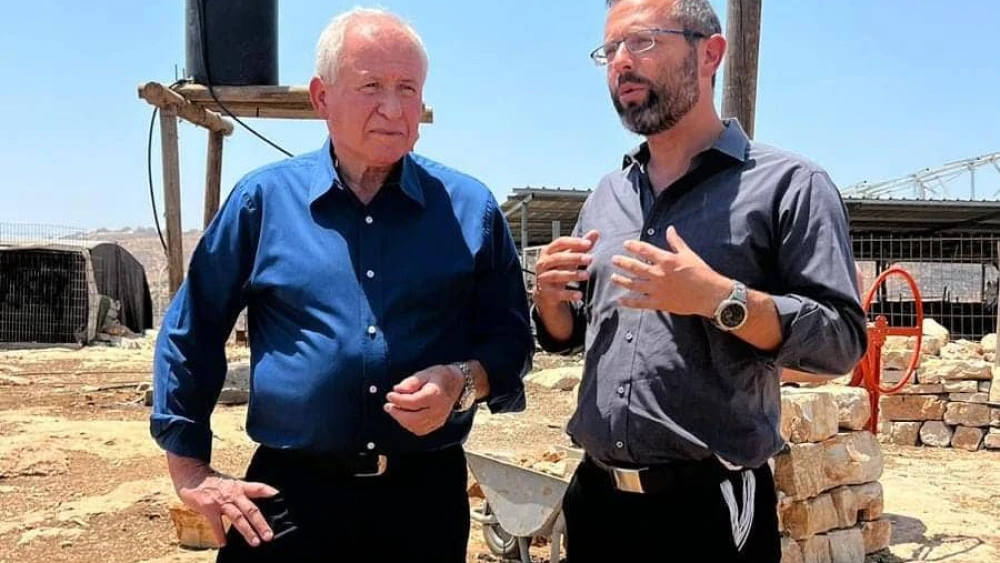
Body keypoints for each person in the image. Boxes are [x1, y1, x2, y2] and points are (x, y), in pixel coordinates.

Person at [149, 8, 534, 562]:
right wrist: (190, 471)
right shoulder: (263, 202)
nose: (394, 108)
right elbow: (192, 330)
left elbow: (511, 344)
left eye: (408, 88)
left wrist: (461, 382)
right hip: (286, 501)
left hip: (422, 503)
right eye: (371, 86)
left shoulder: (470, 209)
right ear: (321, 97)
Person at [531, 0, 868, 561]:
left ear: (710, 53)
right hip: (596, 502)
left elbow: (840, 344)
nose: (621, 63)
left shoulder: (790, 186)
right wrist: (550, 301)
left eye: (641, 42)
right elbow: (582, 332)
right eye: (609, 50)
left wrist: (722, 300)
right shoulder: (607, 196)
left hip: (708, 509)